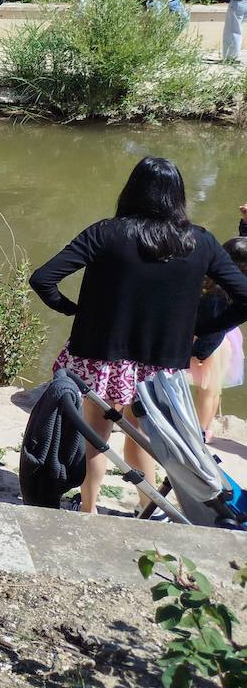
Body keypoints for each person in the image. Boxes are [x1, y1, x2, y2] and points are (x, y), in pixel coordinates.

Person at [30, 157, 247, 514]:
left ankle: (88, 508)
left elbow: (43, 278)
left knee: (96, 436)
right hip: (161, 363)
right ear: (178, 196)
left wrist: (71, 308)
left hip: (102, 354)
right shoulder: (202, 242)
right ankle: (148, 506)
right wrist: (199, 330)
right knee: (144, 436)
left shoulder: (105, 233)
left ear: (131, 190)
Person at [188, 237, 247, 440]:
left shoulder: (216, 289)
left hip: (211, 343)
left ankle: (200, 431)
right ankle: (207, 428)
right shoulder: (240, 284)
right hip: (227, 338)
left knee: (206, 390)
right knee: (214, 390)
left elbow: (212, 324)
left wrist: (200, 352)